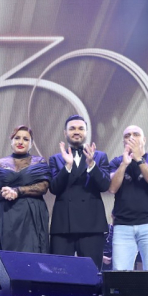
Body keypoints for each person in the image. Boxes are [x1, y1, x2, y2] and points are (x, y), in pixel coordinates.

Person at [48, 115, 110, 269]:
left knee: (91, 273)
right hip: (63, 225)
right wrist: (67, 166)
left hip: (92, 225)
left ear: (86, 132)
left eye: (81, 128)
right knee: (60, 273)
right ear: (65, 133)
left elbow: (104, 185)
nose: (76, 132)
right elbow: (54, 188)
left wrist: (91, 164)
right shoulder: (56, 159)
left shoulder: (99, 156)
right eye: (72, 128)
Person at [107, 125, 148, 270]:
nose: (131, 138)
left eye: (136, 134)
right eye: (127, 136)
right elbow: (112, 188)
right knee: (120, 272)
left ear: (144, 140)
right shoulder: (116, 162)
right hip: (122, 226)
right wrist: (124, 164)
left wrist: (139, 159)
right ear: (123, 142)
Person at [0, 125, 50, 254]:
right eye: (17, 138)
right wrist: (4, 193)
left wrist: (17, 191)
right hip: (6, 214)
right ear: (11, 141)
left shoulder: (39, 162)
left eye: (26, 139)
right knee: (6, 256)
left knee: (32, 253)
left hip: (31, 214)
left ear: (31, 144)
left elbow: (43, 187)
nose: (20, 142)